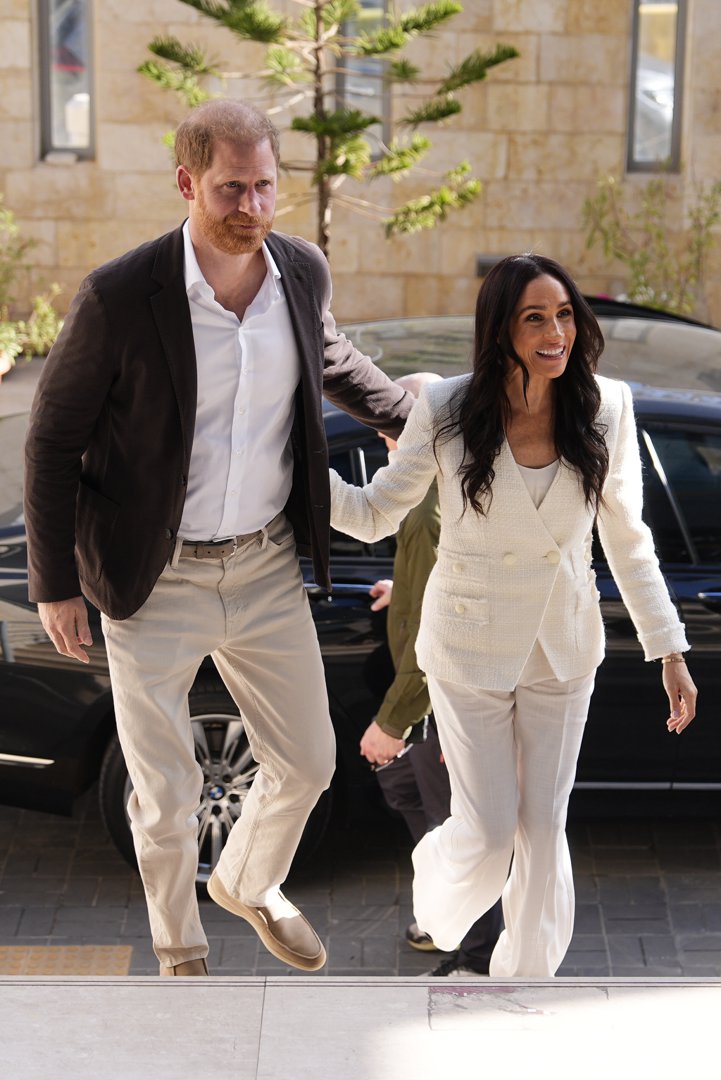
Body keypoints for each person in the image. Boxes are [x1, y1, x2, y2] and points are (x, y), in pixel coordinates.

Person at [23, 99, 413, 977]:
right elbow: (50, 441)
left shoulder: (300, 272)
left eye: (265, 186)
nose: (251, 207)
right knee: (165, 793)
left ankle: (248, 880)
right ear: (186, 183)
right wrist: (56, 583)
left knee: (309, 762)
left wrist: (405, 415)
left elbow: (333, 358)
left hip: (265, 564)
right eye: (231, 188)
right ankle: (179, 949)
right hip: (151, 578)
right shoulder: (122, 296)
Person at [329, 253, 698, 978]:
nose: (554, 331)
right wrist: (301, 480)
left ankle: (526, 981)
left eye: (563, 314)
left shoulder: (606, 407)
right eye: (534, 317)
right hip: (466, 648)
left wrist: (669, 651)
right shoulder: (446, 409)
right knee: (491, 830)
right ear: (501, 328)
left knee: (541, 825)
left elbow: (627, 540)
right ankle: (435, 887)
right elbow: (375, 515)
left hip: (561, 646)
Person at [359, 372, 503, 976]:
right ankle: (442, 918)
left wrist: (393, 721)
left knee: (459, 832)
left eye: (397, 422)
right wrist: (406, 586)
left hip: (440, 704)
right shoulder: (425, 491)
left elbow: (449, 630)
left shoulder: (446, 497)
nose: (387, 439)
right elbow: (442, 583)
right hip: (429, 707)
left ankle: (476, 959)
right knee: (414, 804)